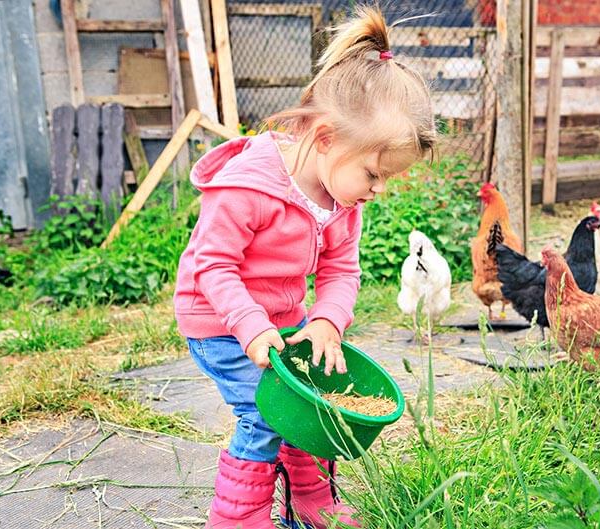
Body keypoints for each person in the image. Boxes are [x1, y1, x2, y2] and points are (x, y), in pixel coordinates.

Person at [173, 5, 435, 528]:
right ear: (325, 140)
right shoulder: (248, 188)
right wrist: (251, 328)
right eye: (373, 174)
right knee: (266, 412)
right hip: (219, 320)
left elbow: (341, 270)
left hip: (281, 319)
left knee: (311, 405)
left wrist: (324, 321)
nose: (377, 191)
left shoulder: (343, 201)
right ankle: (237, 517)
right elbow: (213, 266)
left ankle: (310, 499)